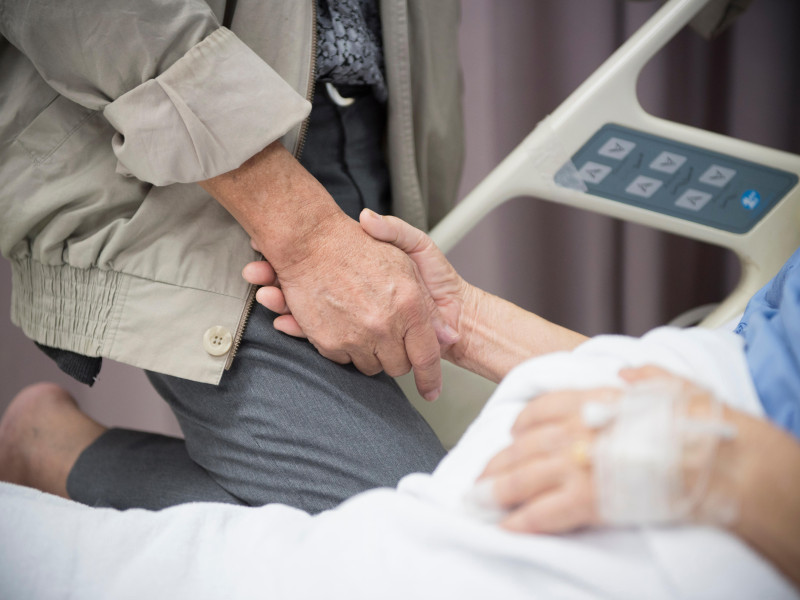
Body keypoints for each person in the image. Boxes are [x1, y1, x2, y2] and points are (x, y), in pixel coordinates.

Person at [1, 213, 798, 598]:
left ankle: (56, 453)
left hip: (710, 463)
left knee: (283, 552)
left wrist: (712, 460)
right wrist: (465, 319)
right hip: (673, 410)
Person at [0, 0, 462, 512]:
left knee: (452, 505)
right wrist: (305, 233)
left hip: (370, 132)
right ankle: (54, 452)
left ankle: (54, 450)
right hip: (200, 160)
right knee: (408, 524)